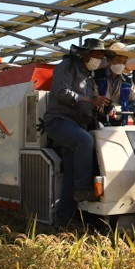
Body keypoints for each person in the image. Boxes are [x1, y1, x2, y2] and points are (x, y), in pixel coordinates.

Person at [43, 38, 110, 212]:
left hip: (77, 123)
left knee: (71, 172)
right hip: (59, 120)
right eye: (97, 55)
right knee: (85, 140)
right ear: (86, 54)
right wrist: (88, 99)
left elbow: (90, 101)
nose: (99, 59)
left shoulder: (89, 76)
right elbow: (60, 91)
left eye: (102, 56)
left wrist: (99, 107)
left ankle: (64, 218)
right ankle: (82, 188)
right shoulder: (67, 66)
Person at [94, 42, 135, 126]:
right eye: (118, 60)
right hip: (97, 122)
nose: (121, 65)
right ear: (109, 60)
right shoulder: (96, 76)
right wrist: (107, 107)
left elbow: (133, 102)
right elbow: (93, 97)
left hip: (120, 123)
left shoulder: (127, 82)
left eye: (124, 62)